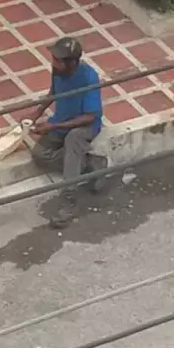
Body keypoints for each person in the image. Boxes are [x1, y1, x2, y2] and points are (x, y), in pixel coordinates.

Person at [28, 36, 108, 229]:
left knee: (73, 139)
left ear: (72, 62)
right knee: (39, 154)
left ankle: (68, 202)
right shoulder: (57, 71)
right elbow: (53, 92)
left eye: (58, 60)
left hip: (83, 126)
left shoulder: (89, 76)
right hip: (61, 121)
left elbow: (90, 116)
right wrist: (36, 113)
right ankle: (91, 164)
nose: (53, 63)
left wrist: (52, 127)